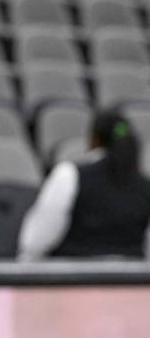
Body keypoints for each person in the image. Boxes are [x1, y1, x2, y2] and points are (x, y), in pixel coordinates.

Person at [19, 109, 150, 260]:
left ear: (93, 140)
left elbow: (36, 240)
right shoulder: (145, 186)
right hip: (130, 279)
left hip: (74, 277)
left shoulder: (69, 174)